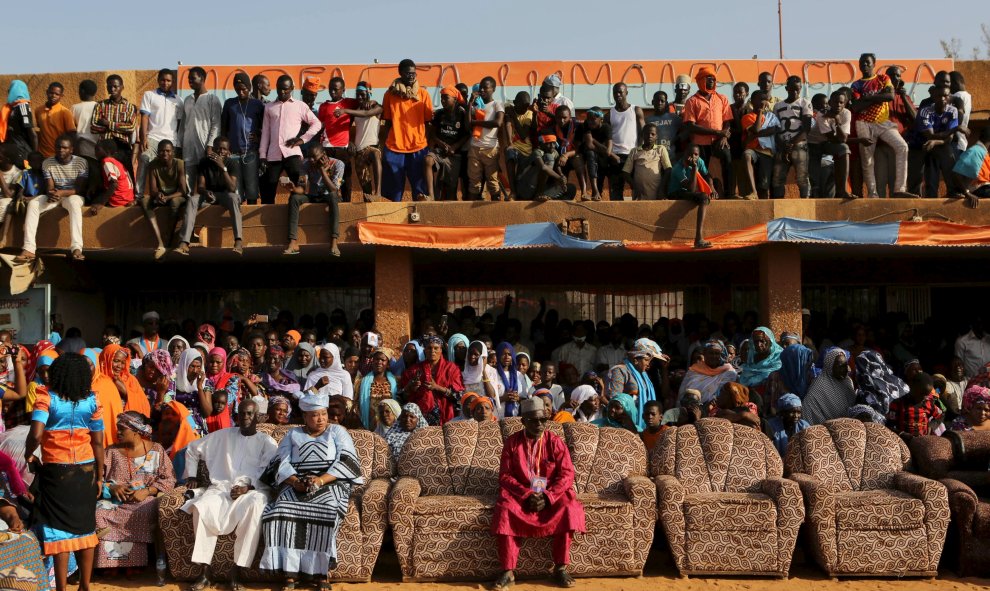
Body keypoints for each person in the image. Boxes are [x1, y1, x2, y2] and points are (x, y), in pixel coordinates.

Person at [259, 393, 363, 590]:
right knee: (280, 510)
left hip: (330, 483)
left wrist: (321, 479)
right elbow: (280, 462)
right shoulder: (293, 434)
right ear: (305, 417)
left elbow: (348, 461)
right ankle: (290, 573)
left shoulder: (337, 432)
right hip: (298, 483)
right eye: (315, 415)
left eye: (323, 414)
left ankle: (320, 573)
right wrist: (295, 481)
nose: (321, 419)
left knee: (326, 509)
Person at [24, 353, 104, 591]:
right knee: (85, 528)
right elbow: (98, 442)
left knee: (59, 531)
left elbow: (36, 434)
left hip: (57, 472)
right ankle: (86, 586)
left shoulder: (45, 397)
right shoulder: (92, 400)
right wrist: (100, 476)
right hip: (86, 470)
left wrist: (29, 453)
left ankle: (61, 588)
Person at [491, 397, 585, 591]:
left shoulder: (555, 441)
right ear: (523, 421)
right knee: (505, 509)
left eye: (543, 420)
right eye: (534, 420)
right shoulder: (512, 443)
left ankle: (560, 568)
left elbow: (567, 474)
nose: (539, 424)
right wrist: (526, 494)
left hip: (551, 495)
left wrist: (548, 496)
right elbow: (505, 476)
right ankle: (508, 571)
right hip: (521, 495)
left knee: (569, 507)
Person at [182, 400, 277, 591]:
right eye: (241, 414)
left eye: (250, 414)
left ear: (258, 417)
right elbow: (192, 449)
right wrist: (192, 475)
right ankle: (204, 571)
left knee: (257, 505)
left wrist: (248, 487)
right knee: (202, 507)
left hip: (251, 491)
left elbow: (270, 474)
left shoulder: (267, 442)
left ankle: (236, 571)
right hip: (221, 488)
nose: (245, 418)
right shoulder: (221, 436)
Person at [95, 411, 175, 571]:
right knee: (99, 512)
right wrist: (111, 487)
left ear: (136, 431)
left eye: (121, 429)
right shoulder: (111, 452)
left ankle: (133, 564)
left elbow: (169, 479)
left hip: (143, 500)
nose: (117, 432)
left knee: (142, 512)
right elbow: (96, 479)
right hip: (114, 501)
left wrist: (147, 491)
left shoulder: (156, 450)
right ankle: (109, 565)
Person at [850, 53, 915, 198]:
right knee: (867, 160)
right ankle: (873, 194)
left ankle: (900, 189)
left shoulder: (883, 79)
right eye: (862, 63)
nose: (864, 65)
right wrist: (879, 97)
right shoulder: (856, 84)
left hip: (883, 122)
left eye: (867, 62)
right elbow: (856, 107)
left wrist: (868, 98)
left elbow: (890, 96)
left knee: (902, 146)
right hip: (864, 123)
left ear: (874, 64)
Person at [14, 135, 87, 264]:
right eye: (58, 147)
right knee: (34, 204)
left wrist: (62, 192)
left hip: (72, 195)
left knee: (74, 204)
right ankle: (29, 248)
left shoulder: (80, 162)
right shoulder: (48, 163)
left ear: (71, 150)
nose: (60, 150)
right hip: (55, 195)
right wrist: (52, 193)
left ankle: (76, 248)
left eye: (64, 148)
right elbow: (49, 187)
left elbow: (79, 189)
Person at [174, 136, 243, 255]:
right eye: (218, 148)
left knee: (234, 197)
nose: (221, 151)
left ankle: (238, 241)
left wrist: (223, 168)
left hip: (225, 196)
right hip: (209, 196)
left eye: (224, 149)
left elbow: (232, 188)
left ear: (228, 151)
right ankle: (184, 243)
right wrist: (206, 192)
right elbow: (200, 186)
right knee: (192, 200)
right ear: (213, 149)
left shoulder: (232, 163)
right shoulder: (204, 162)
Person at [259, 75, 321, 205]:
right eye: (279, 89)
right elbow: (265, 132)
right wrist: (262, 155)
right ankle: (269, 222)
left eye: (286, 89)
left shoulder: (300, 106)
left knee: (299, 189)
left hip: (292, 153)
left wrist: (302, 140)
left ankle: (296, 217)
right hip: (273, 154)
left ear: (292, 89)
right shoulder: (269, 107)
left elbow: (317, 124)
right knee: (267, 191)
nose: (282, 92)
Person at [381, 60, 433, 202]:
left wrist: (425, 142)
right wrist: (384, 147)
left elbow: (428, 123)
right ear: (400, 73)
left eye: (413, 72)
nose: (411, 76)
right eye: (408, 73)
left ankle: (422, 223)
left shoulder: (423, 94)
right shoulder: (390, 95)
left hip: (418, 148)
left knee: (421, 192)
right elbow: (387, 122)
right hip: (394, 148)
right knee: (393, 195)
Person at [681, 67, 735, 198]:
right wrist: (717, 132)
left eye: (714, 79)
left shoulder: (722, 98)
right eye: (708, 78)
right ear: (700, 81)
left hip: (719, 141)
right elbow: (691, 126)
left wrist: (724, 137)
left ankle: (730, 193)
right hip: (700, 143)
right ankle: (703, 193)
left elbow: (727, 121)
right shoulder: (692, 101)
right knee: (700, 168)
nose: (712, 81)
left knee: (728, 160)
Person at [284, 144, 344, 257]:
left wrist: (322, 170)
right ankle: (292, 243)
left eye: (314, 157)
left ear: (324, 155)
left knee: (333, 196)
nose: (311, 160)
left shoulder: (338, 164)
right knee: (294, 198)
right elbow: (302, 187)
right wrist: (294, 189)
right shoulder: (305, 164)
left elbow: (334, 189)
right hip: (313, 195)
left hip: (329, 196)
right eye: (309, 156)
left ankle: (334, 242)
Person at [136, 69, 183, 199]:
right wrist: (143, 137)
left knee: (175, 168)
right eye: (163, 80)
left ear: (172, 82)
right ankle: (138, 196)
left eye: (168, 80)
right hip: (153, 138)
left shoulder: (178, 100)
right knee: (144, 159)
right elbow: (144, 117)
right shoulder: (149, 95)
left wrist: (178, 142)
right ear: (158, 80)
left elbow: (179, 123)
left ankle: (176, 197)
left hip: (171, 142)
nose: (165, 83)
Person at [908, 86, 961, 198]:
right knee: (916, 173)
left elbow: (949, 138)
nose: (942, 98)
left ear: (949, 97)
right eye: (939, 96)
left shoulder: (953, 111)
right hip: (919, 144)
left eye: (945, 95)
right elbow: (930, 135)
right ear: (933, 97)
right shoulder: (925, 111)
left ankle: (952, 190)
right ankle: (913, 195)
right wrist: (956, 129)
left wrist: (935, 142)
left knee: (949, 156)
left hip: (938, 144)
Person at [220, 72, 264, 205]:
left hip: (250, 152)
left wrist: (259, 135)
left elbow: (265, 127)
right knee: (236, 191)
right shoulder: (229, 104)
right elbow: (223, 127)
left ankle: (249, 222)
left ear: (249, 87)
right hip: (233, 154)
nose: (240, 92)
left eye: (243, 89)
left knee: (251, 191)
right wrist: (225, 148)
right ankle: (237, 220)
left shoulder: (257, 104)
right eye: (237, 89)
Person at [400, 335, 463, 425]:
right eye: (429, 348)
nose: (432, 351)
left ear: (441, 350)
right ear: (425, 350)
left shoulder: (452, 369)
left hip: (445, 414)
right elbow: (402, 398)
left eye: (436, 348)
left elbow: (458, 396)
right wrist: (410, 387)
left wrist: (437, 387)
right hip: (419, 417)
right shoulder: (413, 370)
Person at [141, 140, 188, 257]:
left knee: (175, 202)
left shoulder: (180, 164)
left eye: (168, 151)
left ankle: (168, 238)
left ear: (173, 152)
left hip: (177, 196)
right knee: (144, 201)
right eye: (162, 151)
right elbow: (153, 190)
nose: (165, 153)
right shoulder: (153, 165)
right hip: (162, 197)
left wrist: (168, 197)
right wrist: (158, 195)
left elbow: (183, 191)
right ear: (158, 153)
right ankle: (160, 242)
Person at [180, 67, 222, 194]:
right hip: (188, 147)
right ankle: (190, 205)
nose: (190, 81)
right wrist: (179, 145)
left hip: (204, 146)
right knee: (189, 180)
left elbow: (216, 124)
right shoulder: (187, 100)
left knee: (205, 179)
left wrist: (210, 145)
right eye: (188, 79)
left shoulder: (212, 99)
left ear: (202, 79)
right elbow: (183, 124)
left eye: (193, 78)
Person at [771, 76, 813, 198]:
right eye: (791, 89)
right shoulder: (778, 106)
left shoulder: (805, 103)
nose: (795, 92)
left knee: (802, 177)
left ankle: (805, 204)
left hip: (799, 144)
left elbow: (806, 128)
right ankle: (778, 204)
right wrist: (783, 145)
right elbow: (776, 128)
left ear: (800, 89)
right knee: (777, 177)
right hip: (782, 145)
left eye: (797, 89)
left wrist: (791, 144)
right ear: (786, 88)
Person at [667, 144, 715, 248]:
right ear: (685, 154)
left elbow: (707, 175)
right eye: (690, 154)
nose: (693, 157)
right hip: (676, 192)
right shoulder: (678, 168)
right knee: (703, 198)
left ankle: (699, 239)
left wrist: (712, 188)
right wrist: (694, 168)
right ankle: (698, 239)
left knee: (708, 192)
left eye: (696, 154)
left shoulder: (699, 161)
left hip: (688, 190)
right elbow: (691, 189)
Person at [466, 77, 506, 201]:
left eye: (486, 87)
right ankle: (473, 215)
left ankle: (496, 213)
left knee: (492, 182)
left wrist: (476, 122)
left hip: (490, 149)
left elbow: (498, 122)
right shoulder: (477, 105)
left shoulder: (497, 104)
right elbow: (468, 124)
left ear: (493, 89)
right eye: (481, 87)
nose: (482, 90)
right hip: (474, 148)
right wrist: (470, 103)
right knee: (474, 183)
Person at [91, 75, 137, 175]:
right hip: (104, 146)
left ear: (122, 87)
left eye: (115, 86)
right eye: (109, 86)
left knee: (126, 174)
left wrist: (108, 124)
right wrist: (120, 127)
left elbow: (131, 127)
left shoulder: (130, 107)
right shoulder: (100, 105)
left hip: (122, 146)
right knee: (104, 175)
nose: (112, 89)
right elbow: (94, 127)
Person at [621, 123, 671, 200]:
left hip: (657, 191)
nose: (650, 136)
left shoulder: (661, 149)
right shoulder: (635, 151)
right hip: (640, 193)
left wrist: (661, 189)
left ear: (656, 137)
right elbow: (625, 172)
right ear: (642, 135)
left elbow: (668, 169)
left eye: (653, 134)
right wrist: (634, 187)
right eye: (647, 133)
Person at [99, 344, 151, 417]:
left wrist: (126, 393)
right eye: (116, 361)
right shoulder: (97, 380)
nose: (119, 366)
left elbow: (144, 404)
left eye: (123, 363)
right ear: (106, 359)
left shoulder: (130, 380)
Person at [887, 372, 944, 437]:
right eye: (921, 394)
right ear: (911, 386)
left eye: (926, 394)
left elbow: (941, 415)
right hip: (904, 441)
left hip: (923, 440)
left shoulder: (928, 403)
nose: (924, 397)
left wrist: (931, 426)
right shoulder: (897, 404)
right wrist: (903, 434)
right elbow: (890, 426)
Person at [89, 139, 136, 214]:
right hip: (128, 197)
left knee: (92, 201)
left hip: (119, 199)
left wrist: (101, 203)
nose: (95, 153)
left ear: (107, 151)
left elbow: (114, 184)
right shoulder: (117, 162)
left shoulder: (107, 161)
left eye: (97, 150)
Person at [356, 349, 396, 431]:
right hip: (370, 423)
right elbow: (358, 403)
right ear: (372, 361)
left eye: (383, 360)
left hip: (389, 423)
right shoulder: (363, 381)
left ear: (388, 364)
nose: (379, 362)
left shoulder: (393, 382)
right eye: (376, 359)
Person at [1, 80, 38, 164]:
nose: (8, 91)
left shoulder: (23, 106)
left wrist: (34, 156)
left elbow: (32, 134)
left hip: (23, 152)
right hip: (12, 152)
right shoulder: (11, 107)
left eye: (10, 89)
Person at [36, 82, 76, 159]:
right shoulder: (38, 110)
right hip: (42, 154)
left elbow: (72, 134)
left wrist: (68, 154)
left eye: (57, 94)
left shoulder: (65, 112)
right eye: (51, 93)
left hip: (58, 155)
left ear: (61, 96)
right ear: (47, 92)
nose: (53, 96)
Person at [954, 126, 990, 208]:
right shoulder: (975, 151)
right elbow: (956, 173)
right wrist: (967, 193)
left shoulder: (982, 151)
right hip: (978, 189)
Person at [738, 327, 782, 391]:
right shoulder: (752, 357)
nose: (758, 345)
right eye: (756, 342)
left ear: (770, 341)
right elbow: (746, 373)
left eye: (762, 341)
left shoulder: (778, 357)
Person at [646, 91, 682, 161]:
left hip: (671, 158)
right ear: (653, 102)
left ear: (666, 103)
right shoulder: (647, 120)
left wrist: (677, 138)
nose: (659, 103)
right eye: (657, 101)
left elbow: (687, 130)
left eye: (662, 101)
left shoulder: (674, 118)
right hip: (653, 158)